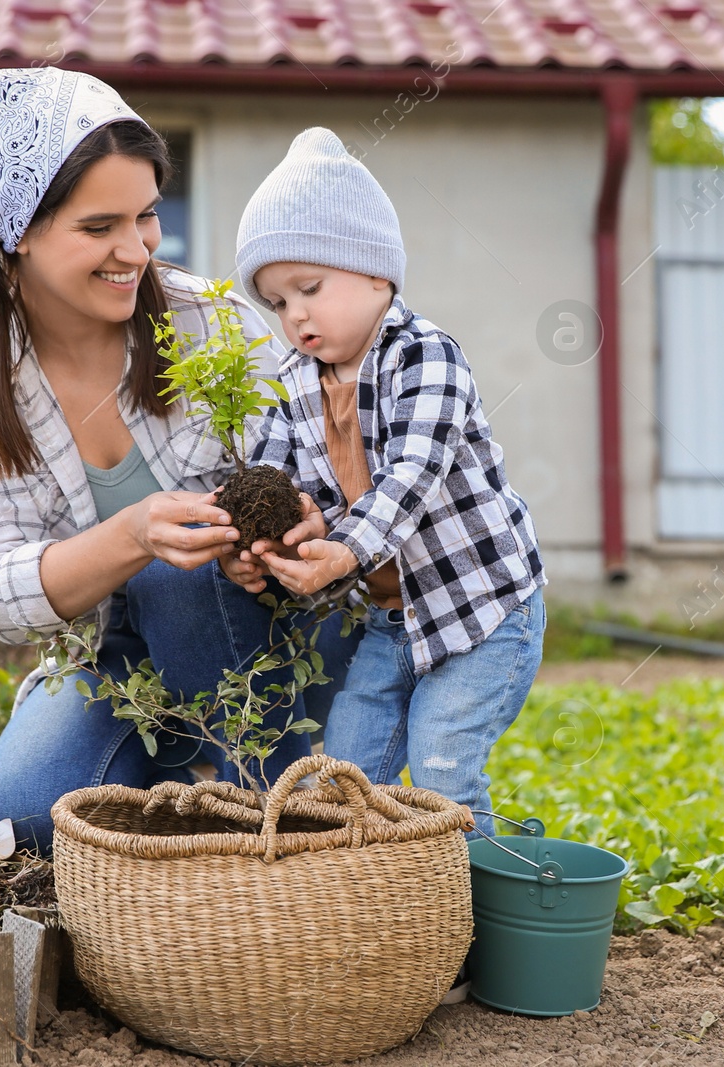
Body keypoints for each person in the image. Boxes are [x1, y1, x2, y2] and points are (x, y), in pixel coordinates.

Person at [0, 70, 356, 855]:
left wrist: (301, 517)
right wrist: (131, 533)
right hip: (109, 664)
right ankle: (188, 773)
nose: (137, 249)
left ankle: (277, 818)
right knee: (25, 815)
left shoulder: (204, 321)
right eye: (99, 227)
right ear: (18, 231)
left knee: (178, 575)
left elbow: (316, 467)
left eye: (147, 215)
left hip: (262, 633)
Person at [221, 127, 547, 839]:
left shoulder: (426, 357)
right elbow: (286, 483)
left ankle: (477, 926)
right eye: (277, 302)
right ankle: (366, 918)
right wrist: (273, 540)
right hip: (391, 619)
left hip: (482, 614)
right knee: (340, 775)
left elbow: (413, 476)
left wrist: (343, 550)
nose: (295, 314)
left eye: (309, 288)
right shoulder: (295, 381)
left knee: (441, 772)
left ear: (377, 275)